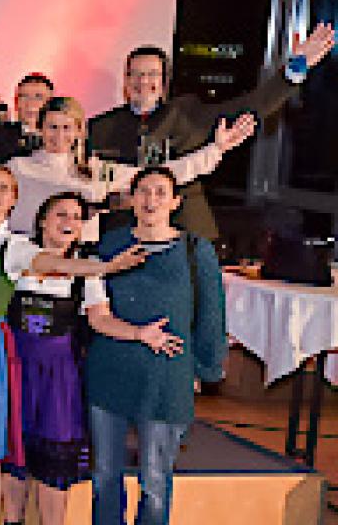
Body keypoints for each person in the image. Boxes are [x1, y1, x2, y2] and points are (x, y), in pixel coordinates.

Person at [0, 167, 146, 525]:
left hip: (1, 355)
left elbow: (56, 264)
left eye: (4, 189)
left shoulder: (17, 248)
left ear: (14, 200)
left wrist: (104, 267)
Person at [87, 25, 333, 238]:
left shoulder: (188, 113)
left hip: (186, 234)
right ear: (126, 80)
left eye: (152, 74)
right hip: (122, 236)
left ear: (164, 83)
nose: (143, 81)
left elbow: (253, 105)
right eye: (136, 74)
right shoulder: (100, 128)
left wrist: (295, 69)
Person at [87, 167, 227, 525]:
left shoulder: (197, 250)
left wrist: (205, 369)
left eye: (161, 192)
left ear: (176, 201)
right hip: (110, 369)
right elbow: (93, 306)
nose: (151, 200)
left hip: (166, 374)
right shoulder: (109, 245)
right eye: (144, 191)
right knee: (104, 475)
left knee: (154, 480)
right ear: (131, 199)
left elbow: (211, 314)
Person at [0, 192, 119, 525]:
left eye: (76, 217)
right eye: (61, 214)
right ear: (42, 220)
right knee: (14, 457)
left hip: (59, 377)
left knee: (55, 462)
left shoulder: (88, 271)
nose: (69, 222)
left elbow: (99, 319)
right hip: (15, 369)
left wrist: (140, 334)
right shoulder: (18, 253)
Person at [4, 99, 255, 236]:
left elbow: (160, 175)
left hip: (81, 263)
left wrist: (215, 150)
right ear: (40, 129)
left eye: (67, 127)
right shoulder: (18, 168)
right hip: (28, 259)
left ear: (80, 131)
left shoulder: (98, 171)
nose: (59, 135)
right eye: (52, 127)